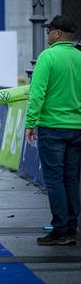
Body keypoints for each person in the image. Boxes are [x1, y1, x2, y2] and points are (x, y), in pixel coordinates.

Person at [25, 15, 81, 246]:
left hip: (52, 128)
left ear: (57, 33)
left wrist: (30, 123)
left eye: (49, 31)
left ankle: (60, 229)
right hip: (77, 128)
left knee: (55, 179)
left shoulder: (48, 57)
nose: (47, 34)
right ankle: (71, 227)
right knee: (72, 179)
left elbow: (37, 93)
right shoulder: (79, 57)